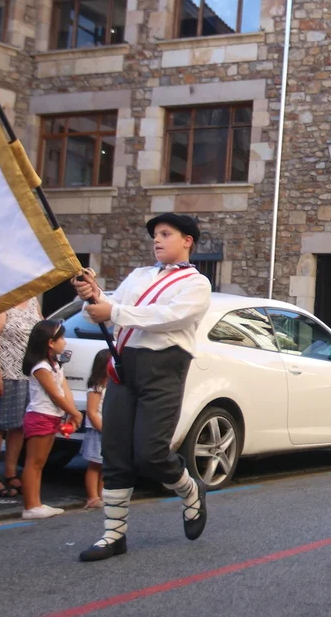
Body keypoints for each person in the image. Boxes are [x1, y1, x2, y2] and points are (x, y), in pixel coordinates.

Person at [73, 213, 212, 562]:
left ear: (187, 241)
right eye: (155, 235)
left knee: (151, 453)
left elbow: (170, 317)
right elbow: (102, 312)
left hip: (163, 368)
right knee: (115, 450)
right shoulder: (138, 276)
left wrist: (114, 311)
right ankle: (113, 535)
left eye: (165, 234)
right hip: (125, 367)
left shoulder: (196, 284)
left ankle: (190, 488)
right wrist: (92, 297)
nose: (157, 240)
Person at [0, 298, 41, 498]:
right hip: (5, 373)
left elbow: (42, 330)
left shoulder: (33, 302)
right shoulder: (1, 302)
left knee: (19, 426)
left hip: (27, 374)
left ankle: (10, 472)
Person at [20, 319, 82, 519]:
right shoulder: (41, 367)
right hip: (40, 415)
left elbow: (65, 390)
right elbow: (54, 394)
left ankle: (36, 503)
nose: (65, 341)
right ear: (50, 342)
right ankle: (31, 506)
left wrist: (71, 411)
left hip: (52, 416)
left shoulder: (55, 365)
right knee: (34, 462)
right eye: (61, 338)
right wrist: (75, 413)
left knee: (41, 462)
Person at [82, 349, 110, 509]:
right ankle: (92, 497)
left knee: (104, 464)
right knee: (95, 464)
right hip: (97, 431)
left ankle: (101, 493)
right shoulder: (96, 388)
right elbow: (92, 412)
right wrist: (103, 429)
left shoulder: (111, 386)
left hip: (108, 430)